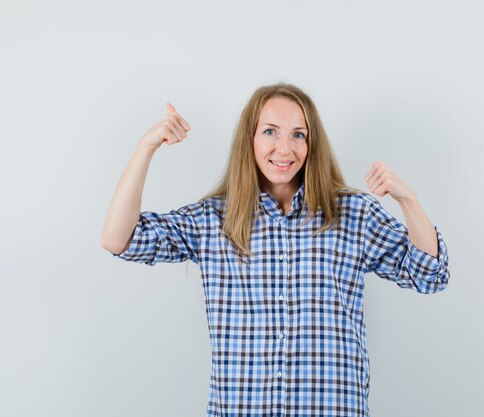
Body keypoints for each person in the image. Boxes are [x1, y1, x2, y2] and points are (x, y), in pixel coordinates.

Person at [100, 83, 450, 417]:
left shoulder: (353, 214)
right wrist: (146, 147)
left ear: (312, 144)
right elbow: (120, 239)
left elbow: (430, 275)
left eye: (298, 134)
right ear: (249, 140)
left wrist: (409, 202)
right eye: (270, 131)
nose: (284, 149)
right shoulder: (213, 220)